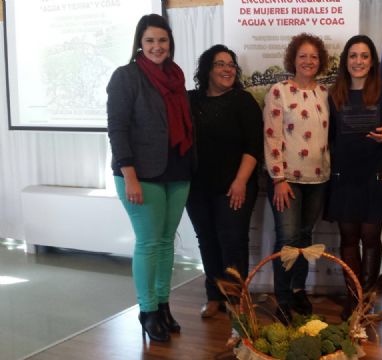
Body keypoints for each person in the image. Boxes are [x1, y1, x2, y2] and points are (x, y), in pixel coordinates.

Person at [106, 14, 193, 342]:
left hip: (177, 168)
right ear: (139, 44)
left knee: (166, 242)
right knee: (149, 242)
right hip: (140, 173)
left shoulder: (176, 76)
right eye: (150, 41)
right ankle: (147, 310)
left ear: (170, 44)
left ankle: (163, 305)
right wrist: (129, 175)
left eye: (162, 40)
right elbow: (117, 128)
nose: (157, 46)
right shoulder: (126, 77)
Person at [186, 45, 263, 319]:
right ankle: (214, 296)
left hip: (236, 185)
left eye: (231, 64)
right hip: (197, 187)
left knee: (233, 240)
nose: (227, 69)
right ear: (207, 69)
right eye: (220, 64)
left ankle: (236, 298)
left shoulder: (243, 101)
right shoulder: (190, 100)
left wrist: (241, 181)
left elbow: (254, 147)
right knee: (207, 240)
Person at [325, 35, 382, 320]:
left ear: (372, 61)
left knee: (371, 236)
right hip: (344, 176)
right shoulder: (334, 94)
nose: (358, 61)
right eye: (353, 56)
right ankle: (352, 297)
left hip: (374, 174)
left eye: (364, 56)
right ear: (346, 61)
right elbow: (328, 137)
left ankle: (368, 295)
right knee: (349, 237)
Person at [263, 33, 331, 324]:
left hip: (319, 179)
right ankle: (282, 298)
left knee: (304, 238)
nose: (308, 61)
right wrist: (278, 178)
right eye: (302, 56)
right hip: (286, 179)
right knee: (288, 239)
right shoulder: (279, 91)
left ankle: (299, 289)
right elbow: (271, 136)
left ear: (320, 61)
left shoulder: (326, 94)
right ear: (293, 58)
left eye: (313, 57)